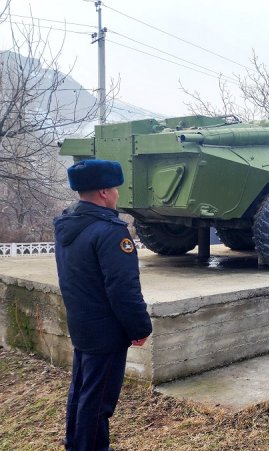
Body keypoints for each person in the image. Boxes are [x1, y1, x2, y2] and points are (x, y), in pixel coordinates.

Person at [54, 159, 153, 451]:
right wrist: (139, 326)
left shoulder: (68, 224)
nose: (117, 195)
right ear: (104, 193)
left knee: (82, 391)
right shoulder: (111, 231)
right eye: (115, 189)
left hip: (83, 324)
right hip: (106, 330)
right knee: (98, 402)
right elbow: (123, 289)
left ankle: (76, 443)